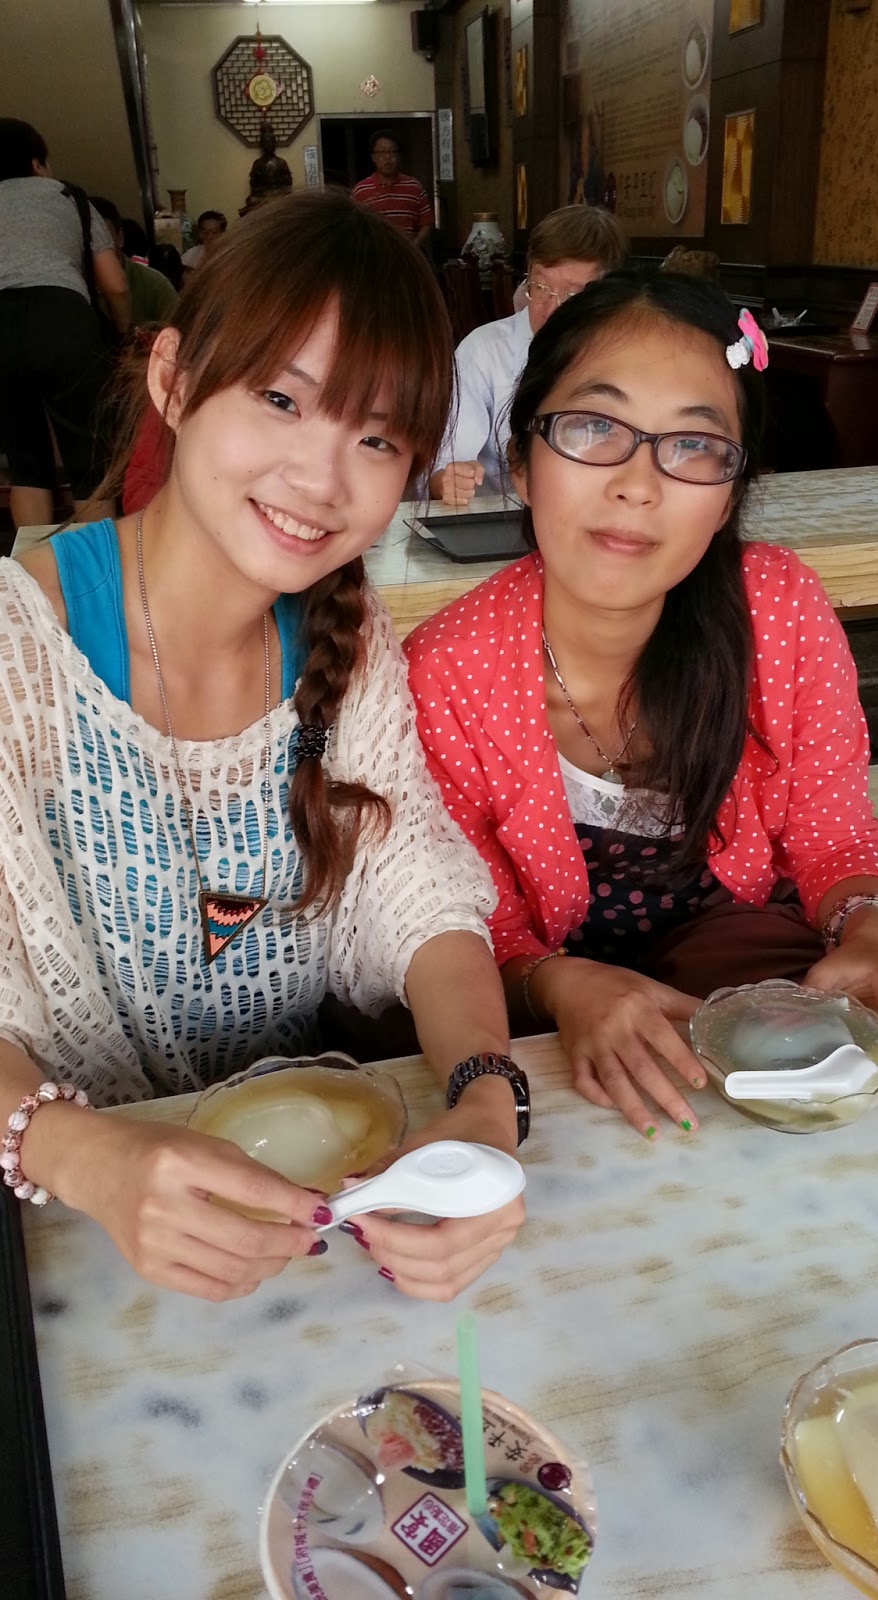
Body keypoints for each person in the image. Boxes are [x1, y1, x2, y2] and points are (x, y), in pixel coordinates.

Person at [0, 191, 525, 1303]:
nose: (320, 480)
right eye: (281, 399)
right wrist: (83, 1153)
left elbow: (418, 893)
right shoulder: (20, 648)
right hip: (68, 1244)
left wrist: (487, 1099)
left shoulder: (347, 635)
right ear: (174, 378)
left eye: (376, 437)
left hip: (307, 1218)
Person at [405, 269, 878, 1138]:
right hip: (540, 998)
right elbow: (474, 925)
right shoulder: (446, 672)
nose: (638, 483)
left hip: (735, 967)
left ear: (731, 492)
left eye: (694, 445)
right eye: (594, 427)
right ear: (520, 461)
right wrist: (559, 983)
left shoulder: (777, 608)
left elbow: (833, 838)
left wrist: (871, 927)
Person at [429, 205, 628, 506]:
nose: (552, 309)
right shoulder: (485, 351)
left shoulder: (631, 357)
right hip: (502, 520)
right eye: (540, 287)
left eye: (572, 295)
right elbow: (441, 469)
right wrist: (447, 481)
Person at [0, 118, 130, 529]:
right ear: (36, 163)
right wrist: (122, 334)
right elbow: (115, 285)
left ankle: (28, 568)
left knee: (26, 463)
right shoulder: (68, 196)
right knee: (90, 463)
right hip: (62, 320)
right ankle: (93, 566)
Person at [90, 195, 178, 325]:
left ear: (120, 238)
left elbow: (180, 327)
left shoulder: (153, 285)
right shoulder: (72, 287)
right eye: (86, 240)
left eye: (103, 239)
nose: (94, 247)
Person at [351, 130, 434, 245]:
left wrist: (414, 245)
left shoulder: (414, 187)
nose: (387, 157)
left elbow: (426, 223)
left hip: (406, 253)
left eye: (392, 152)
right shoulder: (360, 190)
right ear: (373, 157)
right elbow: (352, 226)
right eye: (382, 152)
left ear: (399, 156)